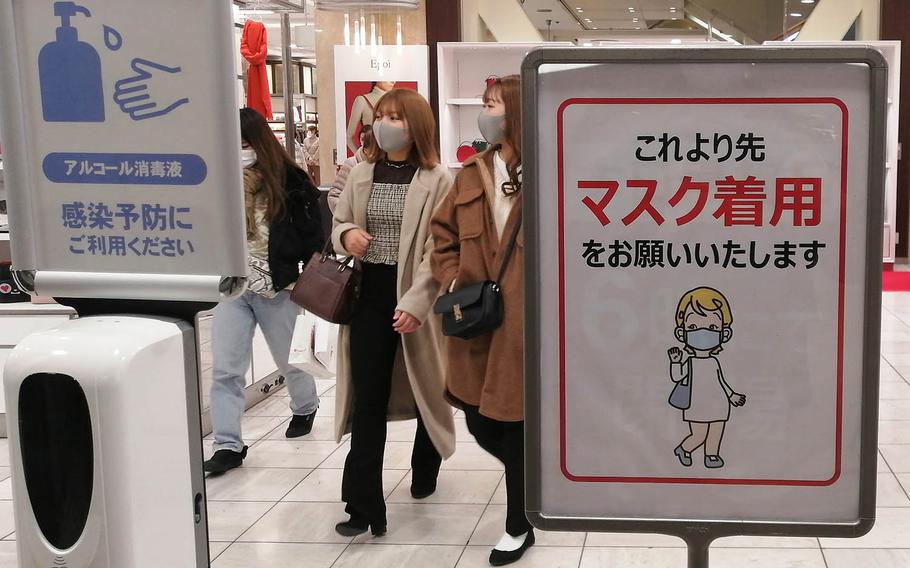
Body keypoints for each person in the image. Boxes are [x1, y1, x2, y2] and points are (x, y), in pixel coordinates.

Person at [332, 88, 455, 537]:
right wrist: (347, 236)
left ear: (416, 125)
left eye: (395, 117)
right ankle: (362, 504)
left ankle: (426, 468)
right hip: (367, 297)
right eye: (380, 116)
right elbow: (338, 222)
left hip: (414, 301)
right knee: (368, 400)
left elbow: (439, 248)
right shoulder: (361, 171)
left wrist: (417, 303)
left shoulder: (438, 178)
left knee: (426, 390)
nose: (383, 124)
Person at [430, 76, 533, 566]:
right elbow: (443, 234)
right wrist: (451, 277)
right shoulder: (470, 172)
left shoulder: (550, 167)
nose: (484, 112)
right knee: (478, 418)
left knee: (511, 421)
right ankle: (532, 482)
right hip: (474, 314)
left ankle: (518, 523)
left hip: (524, 321)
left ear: (515, 110)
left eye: (491, 104)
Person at [204, 108, 324, 475]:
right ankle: (228, 444)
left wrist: (305, 272)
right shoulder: (215, 181)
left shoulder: (290, 180)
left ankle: (305, 407)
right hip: (232, 289)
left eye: (246, 143)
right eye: (233, 143)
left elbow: (312, 234)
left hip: (280, 286)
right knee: (226, 370)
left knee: (290, 360)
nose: (240, 150)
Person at [668, 287, 746, 469]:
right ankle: (683, 449)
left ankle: (711, 455)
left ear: (724, 334)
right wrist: (675, 362)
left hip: (718, 402)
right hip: (697, 404)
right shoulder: (690, 362)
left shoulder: (714, 361)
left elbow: (721, 381)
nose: (703, 332)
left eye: (712, 327)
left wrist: (731, 395)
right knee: (700, 434)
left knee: (717, 429)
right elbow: (677, 377)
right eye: (693, 327)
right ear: (682, 333)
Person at [329, 124, 372, 213]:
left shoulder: (380, 166)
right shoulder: (351, 164)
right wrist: (347, 217)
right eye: (361, 139)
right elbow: (334, 195)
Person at [346, 81, 396, 154]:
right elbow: (349, 136)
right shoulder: (362, 100)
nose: (393, 81)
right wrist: (362, 157)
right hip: (373, 156)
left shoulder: (397, 101)